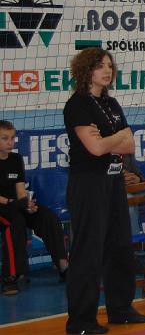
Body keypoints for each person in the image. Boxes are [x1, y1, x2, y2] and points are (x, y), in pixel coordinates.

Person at [63, 48, 145, 334]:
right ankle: (81, 321)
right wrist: (117, 137)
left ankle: (120, 309)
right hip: (88, 183)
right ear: (87, 70)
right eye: (100, 65)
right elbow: (95, 148)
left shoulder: (111, 103)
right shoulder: (77, 104)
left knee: (120, 245)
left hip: (113, 181)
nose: (107, 70)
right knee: (88, 252)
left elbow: (130, 144)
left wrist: (111, 139)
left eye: (110, 66)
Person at [0, 120, 69, 295]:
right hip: (2, 206)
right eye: (5, 138)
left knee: (47, 216)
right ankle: (11, 277)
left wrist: (28, 205)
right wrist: (11, 203)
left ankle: (63, 265)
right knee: (15, 222)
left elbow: (20, 191)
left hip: (15, 203)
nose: (10, 142)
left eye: (12, 138)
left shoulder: (16, 159)